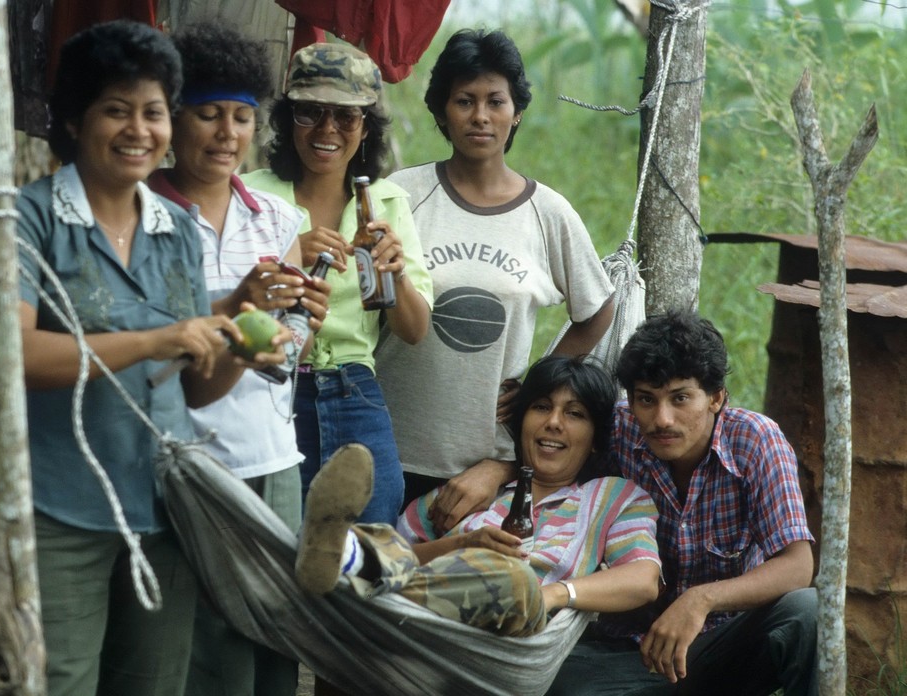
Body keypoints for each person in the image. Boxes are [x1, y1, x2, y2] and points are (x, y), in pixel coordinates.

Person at [16, 21, 287, 696]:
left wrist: (240, 346)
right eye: (117, 110)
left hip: (165, 512)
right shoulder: (32, 217)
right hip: (60, 508)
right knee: (57, 682)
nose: (139, 129)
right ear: (75, 120)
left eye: (154, 112)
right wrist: (156, 340)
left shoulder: (172, 233)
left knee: (153, 685)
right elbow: (13, 355)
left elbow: (194, 393)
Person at [148, 22, 331, 696]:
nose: (227, 134)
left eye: (242, 116)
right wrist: (240, 306)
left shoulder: (278, 218)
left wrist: (301, 322)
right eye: (208, 114)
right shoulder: (145, 216)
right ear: (173, 116)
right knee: (201, 643)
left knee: (273, 632)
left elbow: (285, 345)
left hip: (272, 456)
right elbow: (166, 345)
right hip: (187, 457)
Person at [373, 28, 615, 531]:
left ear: (517, 111)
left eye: (495, 101)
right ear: (441, 112)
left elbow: (597, 312)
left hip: (489, 463)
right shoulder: (402, 194)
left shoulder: (548, 213)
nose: (480, 116)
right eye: (464, 101)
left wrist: (537, 386)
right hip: (389, 445)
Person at [547, 312, 818, 695]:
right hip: (632, 652)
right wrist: (494, 469)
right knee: (542, 679)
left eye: (680, 398)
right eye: (646, 399)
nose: (662, 419)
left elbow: (797, 566)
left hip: (724, 647)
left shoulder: (755, 441)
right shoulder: (618, 431)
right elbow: (546, 450)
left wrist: (701, 600)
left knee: (806, 613)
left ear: (716, 398)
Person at [295, 356, 661, 639]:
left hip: (516, 624)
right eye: (541, 407)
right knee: (380, 541)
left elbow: (643, 579)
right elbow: (402, 551)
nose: (553, 422)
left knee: (513, 576)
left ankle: (351, 570)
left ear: (596, 438)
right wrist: (464, 543)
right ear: (521, 424)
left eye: (575, 414)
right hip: (421, 619)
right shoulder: (474, 488)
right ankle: (342, 552)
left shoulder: (615, 495)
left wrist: (552, 595)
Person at [243, 42, 434, 525]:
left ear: (366, 128)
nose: (328, 130)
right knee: (275, 542)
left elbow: (414, 330)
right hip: (268, 389)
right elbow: (227, 300)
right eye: (311, 113)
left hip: (356, 393)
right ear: (288, 121)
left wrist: (396, 276)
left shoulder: (387, 203)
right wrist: (291, 253)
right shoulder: (253, 194)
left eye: (346, 118)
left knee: (370, 539)